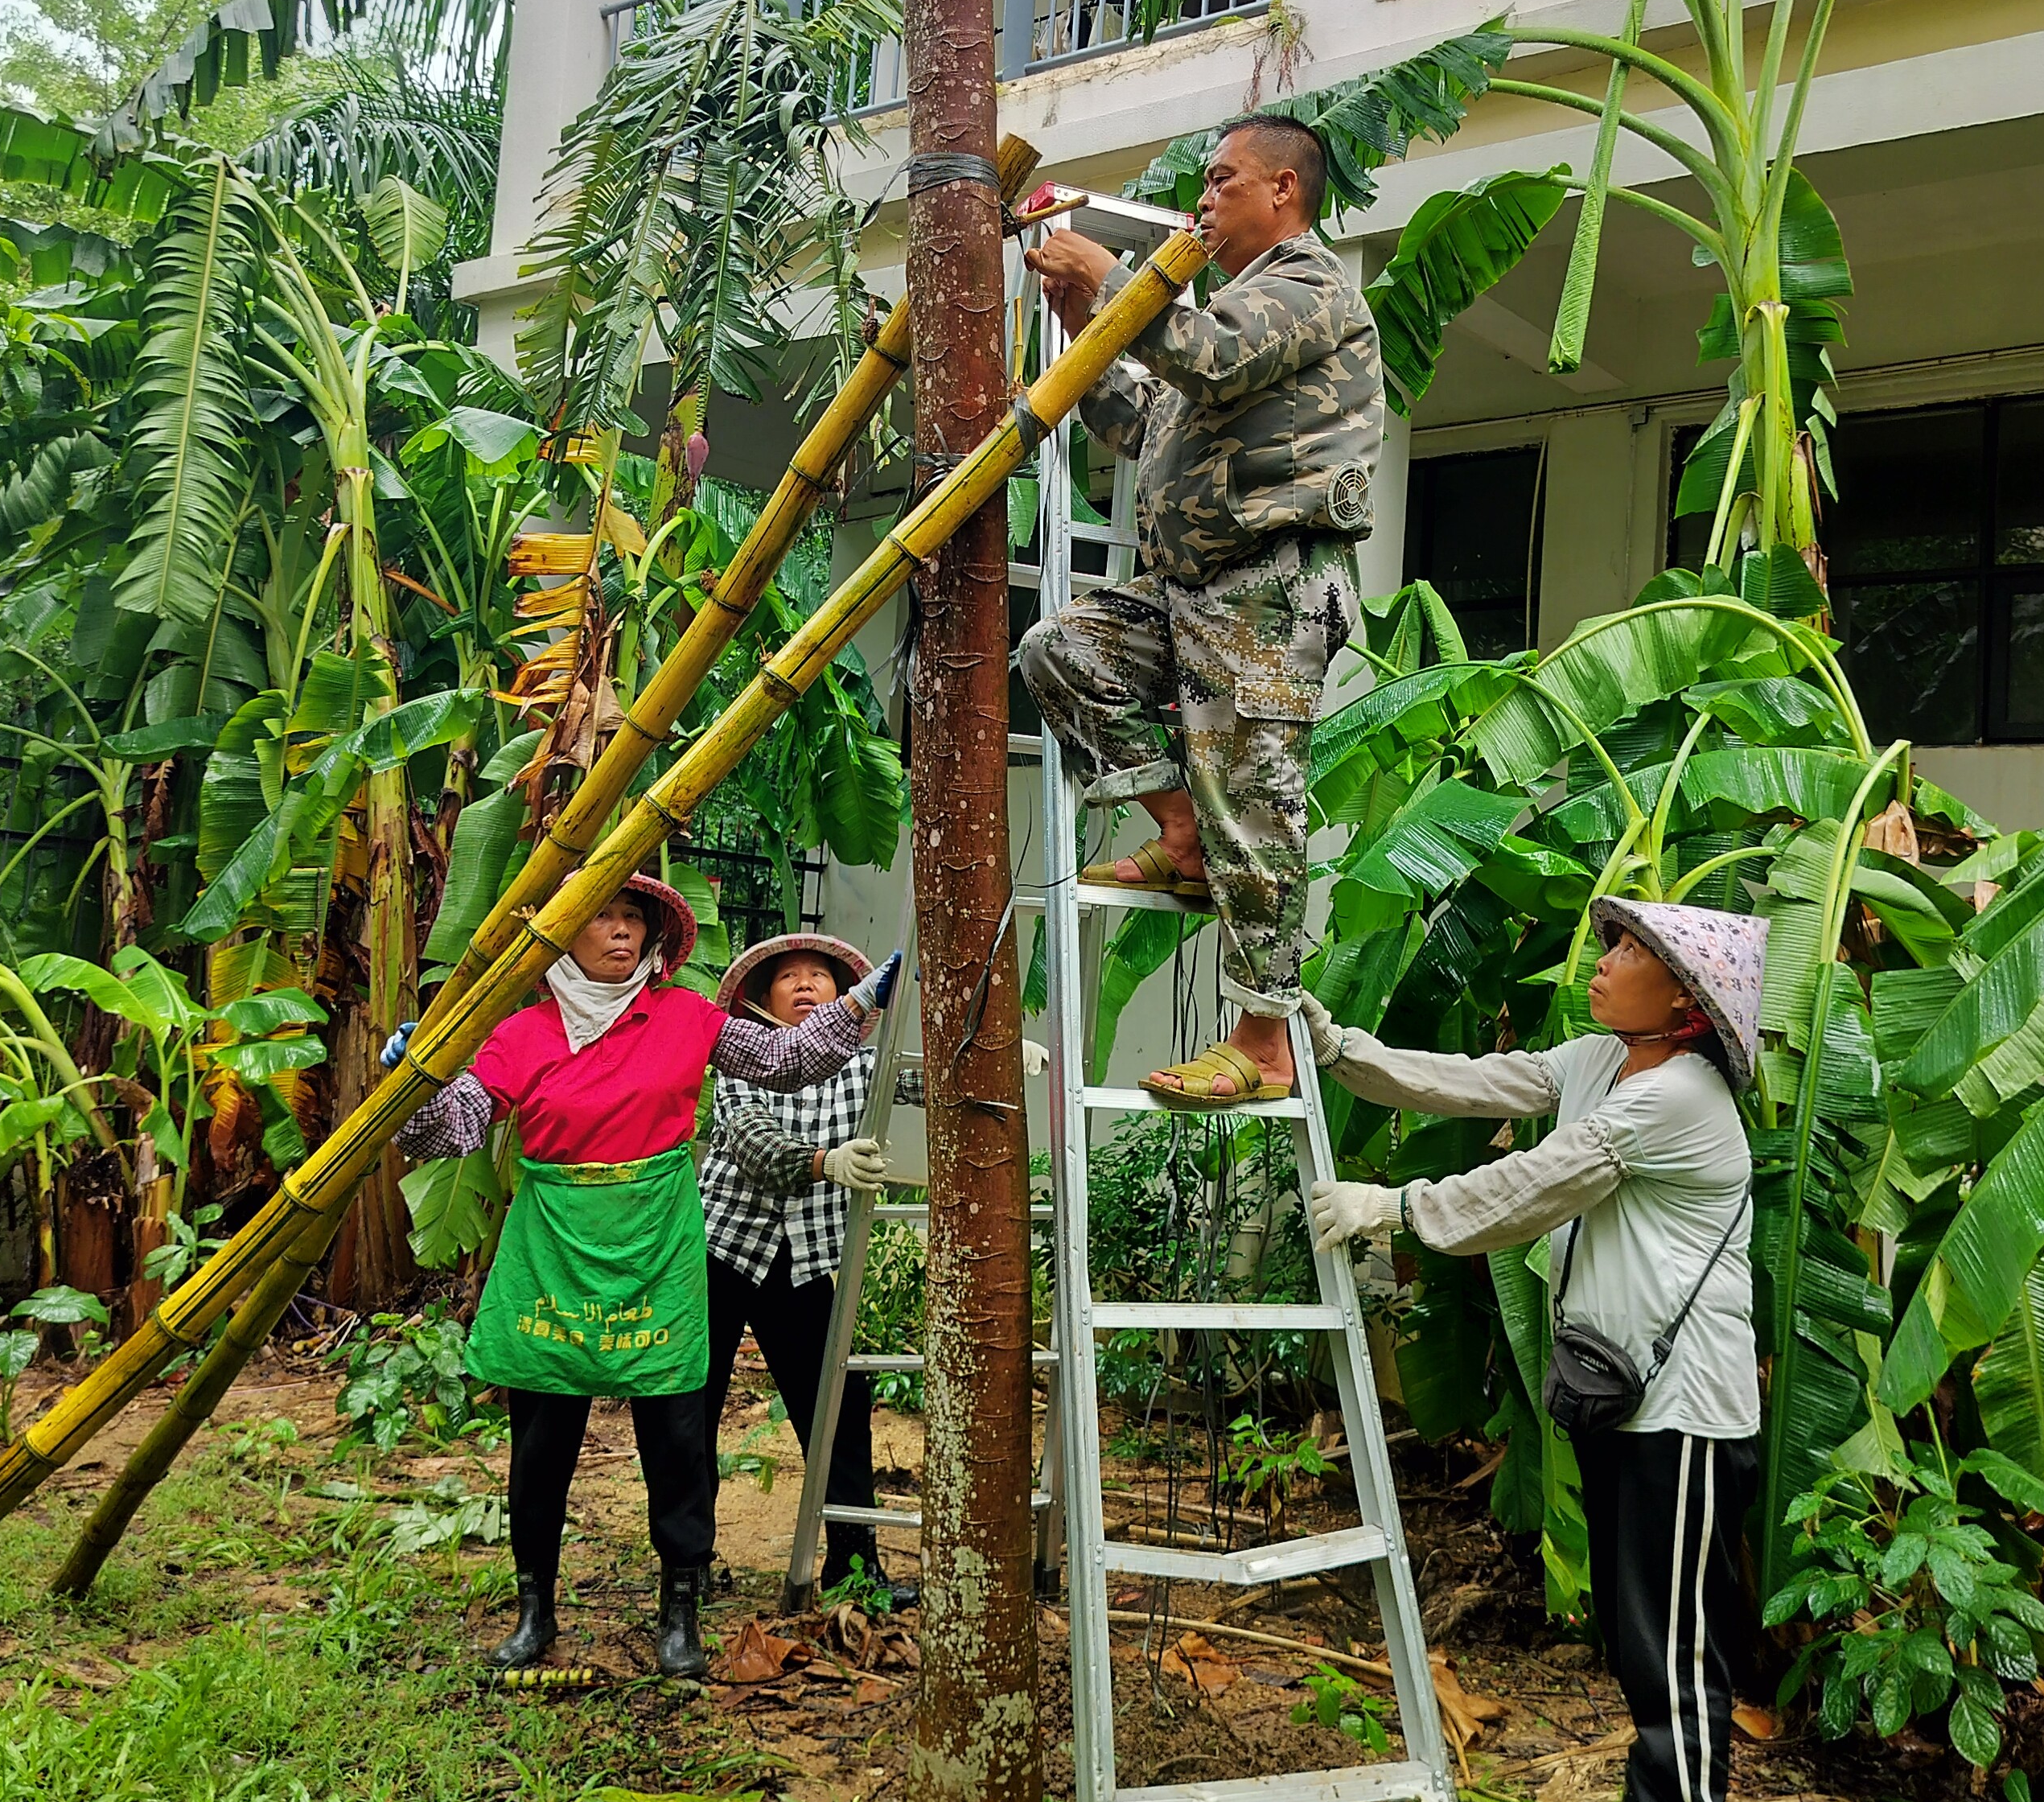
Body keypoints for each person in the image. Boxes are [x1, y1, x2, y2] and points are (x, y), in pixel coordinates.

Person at [1304, 898, 1768, 1802]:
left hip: (1685, 1419)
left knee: (1676, 1654)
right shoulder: (1604, 1061)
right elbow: (1476, 1081)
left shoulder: (1678, 1097)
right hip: (1627, 1404)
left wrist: (1395, 1207)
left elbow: (1533, 1185)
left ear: (1685, 1003)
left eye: (1630, 952)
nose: (1603, 962)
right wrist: (1342, 1050)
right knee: (1637, 1636)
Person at [393, 875, 897, 1680]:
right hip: (554, 1251)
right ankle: (534, 1610)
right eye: (602, 915)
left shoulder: (685, 1017)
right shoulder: (523, 1034)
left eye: (633, 917)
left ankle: (680, 1612)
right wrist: (414, 1081)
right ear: (565, 933)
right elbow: (446, 1131)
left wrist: (862, 1000)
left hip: (657, 1247)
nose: (621, 929)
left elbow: (786, 1059)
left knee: (676, 1434)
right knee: (543, 1439)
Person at [1017, 116, 1381, 1115]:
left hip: (1269, 584)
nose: (1205, 199)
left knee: (1253, 804)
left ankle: (1265, 1039)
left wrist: (1117, 280)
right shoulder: (1233, 305)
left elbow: (1207, 358)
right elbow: (1142, 422)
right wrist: (1087, 323)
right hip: (1190, 588)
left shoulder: (1307, 287)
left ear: (1284, 191)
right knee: (1062, 648)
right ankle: (1179, 833)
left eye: (1224, 181)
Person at [698, 931, 921, 1604]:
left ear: (843, 994)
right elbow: (756, 1148)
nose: (803, 984)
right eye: (787, 976)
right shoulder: (741, 1063)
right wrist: (827, 1163)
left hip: (803, 1259)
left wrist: (996, 1058)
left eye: (818, 975)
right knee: (692, 1409)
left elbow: (925, 1079)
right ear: (762, 999)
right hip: (720, 1253)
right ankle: (689, 1566)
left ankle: (855, 1572)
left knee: (838, 1409)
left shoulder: (864, 1065)